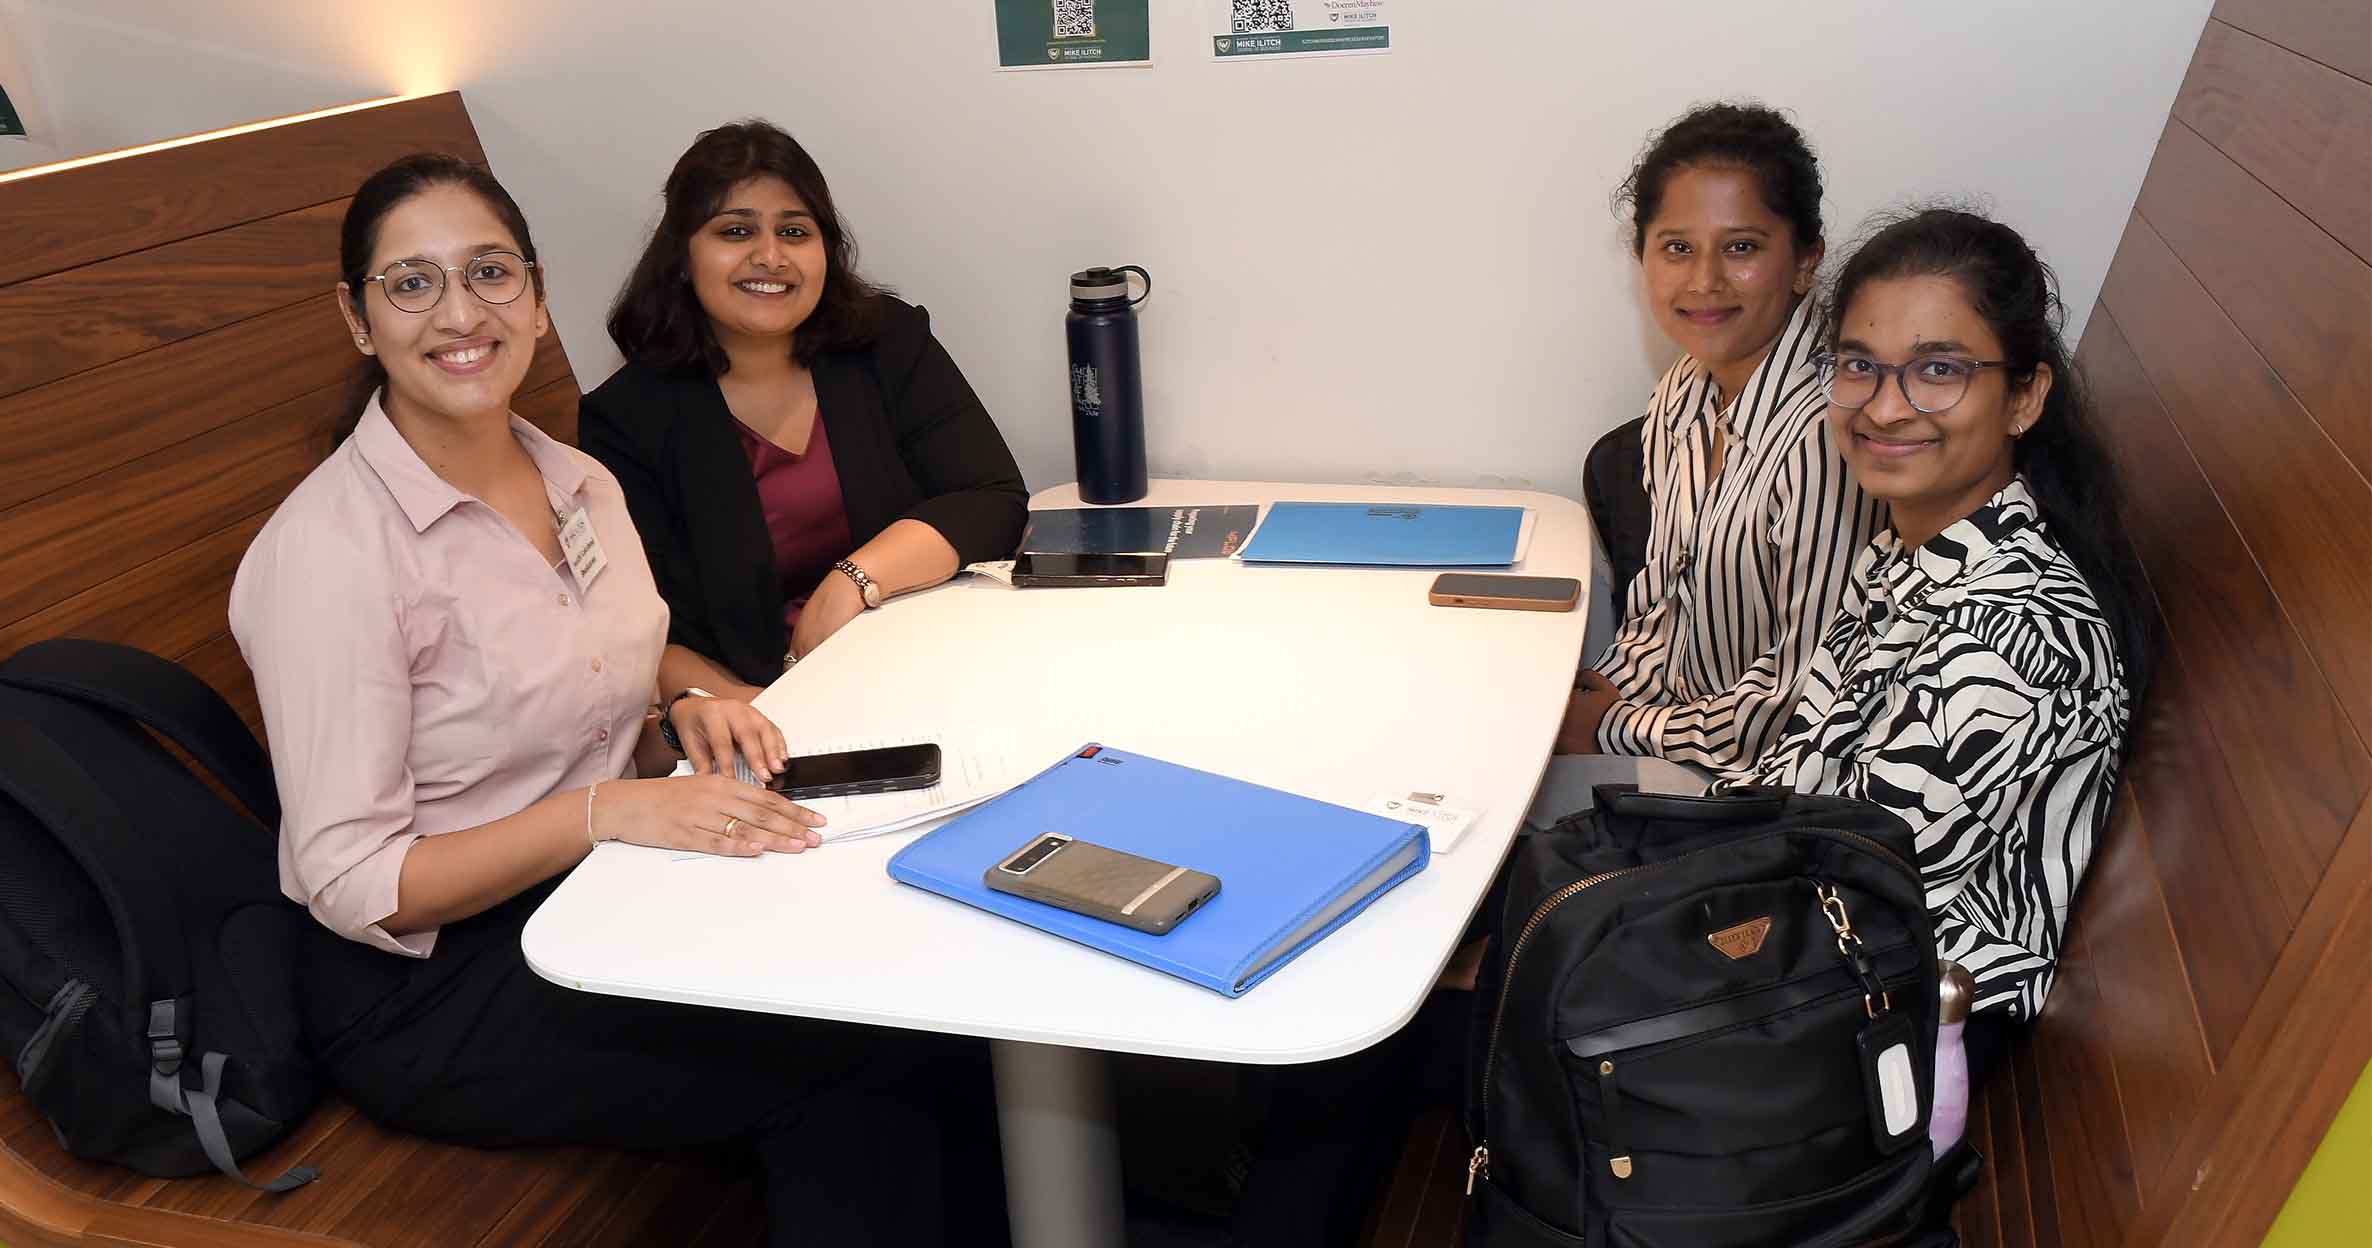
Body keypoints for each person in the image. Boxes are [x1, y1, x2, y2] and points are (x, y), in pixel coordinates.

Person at [230, 153, 997, 1247]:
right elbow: (356, 884)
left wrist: (667, 717)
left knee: (904, 970)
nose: (459, 312)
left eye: (489, 273)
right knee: (851, 1059)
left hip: (598, 886)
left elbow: (584, 688)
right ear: (357, 320)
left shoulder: (572, 478)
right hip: (438, 987)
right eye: (411, 283)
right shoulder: (328, 557)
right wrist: (605, 814)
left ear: (536, 300)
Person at [1746, 208, 2151, 1050]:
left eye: (1939, 369)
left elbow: (1855, 892)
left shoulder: (2015, 638)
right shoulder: (1907, 551)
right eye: (1860, 365)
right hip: (1804, 951)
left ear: (2025, 398)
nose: (1886, 408)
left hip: (1887, 1029)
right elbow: (1802, 790)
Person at [580, 119, 1027, 712]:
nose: (770, 256)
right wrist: (751, 711)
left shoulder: (886, 341)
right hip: (769, 701)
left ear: (825, 251)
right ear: (684, 257)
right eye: (736, 231)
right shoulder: (626, 419)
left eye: (794, 231)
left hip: (936, 656)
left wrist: (854, 579)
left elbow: (991, 496)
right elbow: (641, 627)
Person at [1533, 102, 1886, 824]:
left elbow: (1797, 701)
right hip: (1672, 733)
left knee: (1497, 824)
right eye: (1676, 248)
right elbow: (1660, 606)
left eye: (1742, 248)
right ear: (1642, 258)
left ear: (1805, 260)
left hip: (1765, 786)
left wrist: (1605, 728)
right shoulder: (1684, 389)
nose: (1704, 283)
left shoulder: (1829, 434)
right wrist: (1588, 698)